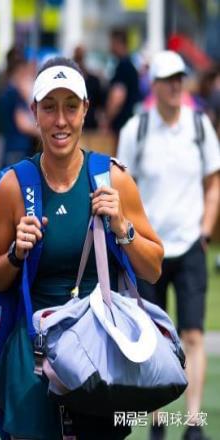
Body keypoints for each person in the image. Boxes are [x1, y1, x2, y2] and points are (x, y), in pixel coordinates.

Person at [0, 56, 164, 440]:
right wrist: (15, 254)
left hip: (100, 359)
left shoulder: (111, 178)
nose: (60, 120)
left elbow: (153, 268)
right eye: (49, 108)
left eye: (70, 107)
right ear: (34, 112)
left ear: (85, 110)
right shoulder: (14, 185)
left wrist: (122, 227)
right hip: (35, 363)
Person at [117, 50, 220, 440]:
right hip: (147, 248)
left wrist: (205, 232)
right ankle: (158, 420)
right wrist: (127, 235)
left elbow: (213, 183)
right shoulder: (137, 129)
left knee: (193, 334)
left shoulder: (199, 126)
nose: (177, 86)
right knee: (152, 338)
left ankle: (193, 421)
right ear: (155, 86)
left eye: (180, 78)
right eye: (168, 80)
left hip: (190, 243)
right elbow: (120, 183)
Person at [105, 28, 141, 138]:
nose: (110, 47)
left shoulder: (123, 66)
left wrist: (107, 120)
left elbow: (117, 97)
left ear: (118, 43)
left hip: (121, 126)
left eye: (112, 43)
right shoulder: (130, 65)